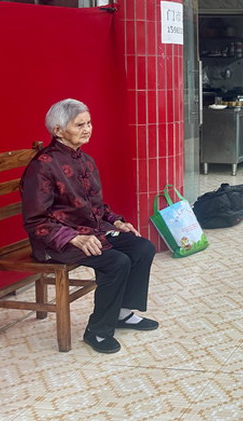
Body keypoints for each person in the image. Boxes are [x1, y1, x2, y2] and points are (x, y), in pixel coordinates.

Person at [21, 99, 158, 354]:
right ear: (58, 130)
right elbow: (35, 220)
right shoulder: (43, 165)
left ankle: (122, 313)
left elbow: (96, 207)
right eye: (79, 125)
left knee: (142, 248)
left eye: (89, 123)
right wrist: (73, 238)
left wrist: (116, 221)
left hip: (91, 232)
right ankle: (98, 331)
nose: (87, 129)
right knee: (116, 262)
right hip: (56, 241)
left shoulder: (85, 160)